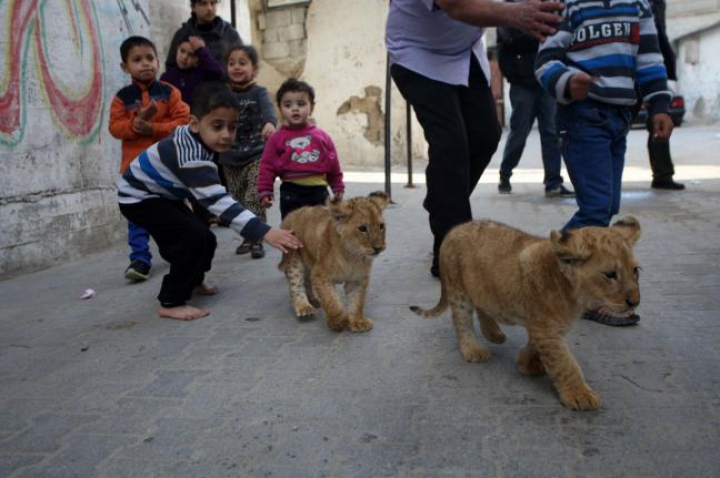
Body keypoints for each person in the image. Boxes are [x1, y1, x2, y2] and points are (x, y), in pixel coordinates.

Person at [386, 0, 564, 278]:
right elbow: (456, 5)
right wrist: (515, 14)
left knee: (485, 136)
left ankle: (442, 202)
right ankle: (454, 254)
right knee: (450, 143)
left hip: (464, 51)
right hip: (417, 52)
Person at [536, 0, 674, 325]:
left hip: (619, 120)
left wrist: (659, 106)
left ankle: (553, 267)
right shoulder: (567, 6)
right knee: (596, 208)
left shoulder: (637, 6)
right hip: (583, 117)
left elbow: (650, 59)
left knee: (607, 206)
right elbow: (544, 60)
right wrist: (566, 80)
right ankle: (567, 284)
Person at [117, 82, 302, 321]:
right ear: (194, 124)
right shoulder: (190, 155)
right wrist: (265, 232)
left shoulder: (200, 139)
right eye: (217, 126)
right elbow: (218, 201)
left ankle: (193, 281)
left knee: (205, 237)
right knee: (190, 240)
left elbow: (204, 194)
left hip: (162, 193)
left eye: (232, 127)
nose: (226, 134)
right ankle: (171, 301)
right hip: (139, 198)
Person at [109, 36, 190, 282]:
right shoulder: (122, 98)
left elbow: (184, 121)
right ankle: (140, 260)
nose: (145, 64)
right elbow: (114, 127)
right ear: (125, 67)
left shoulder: (169, 92)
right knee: (138, 215)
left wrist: (153, 129)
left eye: (149, 58)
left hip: (167, 168)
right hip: (134, 171)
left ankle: (180, 252)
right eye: (137, 60)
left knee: (175, 212)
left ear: (157, 61)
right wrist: (135, 126)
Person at [496, 15, 574, 198]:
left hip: (546, 82)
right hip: (522, 83)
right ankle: (505, 175)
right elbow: (511, 39)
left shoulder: (546, 8)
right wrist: (540, 33)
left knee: (551, 133)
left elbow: (557, 36)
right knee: (519, 133)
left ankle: (553, 183)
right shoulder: (512, 8)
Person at [219, 45, 277, 259]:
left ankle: (258, 237)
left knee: (254, 196)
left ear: (254, 68)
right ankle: (247, 235)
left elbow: (268, 112)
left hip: (256, 155)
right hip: (229, 158)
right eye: (232, 63)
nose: (236, 67)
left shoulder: (258, 92)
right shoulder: (223, 93)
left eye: (242, 63)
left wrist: (270, 123)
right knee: (238, 200)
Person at [257, 78, 344, 220]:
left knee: (319, 229)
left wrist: (337, 186)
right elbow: (267, 166)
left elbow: (333, 164)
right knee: (291, 228)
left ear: (312, 107)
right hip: (290, 192)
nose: (295, 108)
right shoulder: (276, 139)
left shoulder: (322, 137)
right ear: (280, 108)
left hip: (318, 192)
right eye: (288, 105)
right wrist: (265, 190)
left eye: (301, 104)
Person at [645, 0, 684, 190]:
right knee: (615, 124)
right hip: (625, 64)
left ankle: (663, 174)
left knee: (659, 119)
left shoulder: (658, 2)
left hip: (653, 65)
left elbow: (659, 32)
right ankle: (602, 177)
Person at [165, 0, 241, 73]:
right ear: (193, 7)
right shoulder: (183, 34)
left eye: (213, 3)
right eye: (203, 3)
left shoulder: (229, 33)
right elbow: (171, 67)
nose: (209, 8)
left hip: (223, 85)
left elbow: (242, 62)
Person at [160, 35, 224, 108]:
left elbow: (218, 72)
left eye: (191, 55)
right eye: (182, 51)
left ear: (198, 58)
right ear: (177, 49)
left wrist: (201, 50)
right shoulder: (167, 77)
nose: (184, 57)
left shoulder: (201, 74)